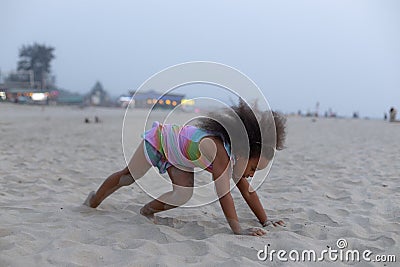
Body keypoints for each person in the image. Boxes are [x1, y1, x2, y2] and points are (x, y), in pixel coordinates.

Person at [84, 99, 287, 236]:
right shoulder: (220, 154)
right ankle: (94, 200)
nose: (250, 175)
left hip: (179, 159)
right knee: (128, 177)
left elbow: (249, 193)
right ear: (243, 154)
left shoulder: (235, 160)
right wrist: (238, 230)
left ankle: (146, 211)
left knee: (183, 195)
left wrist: (266, 221)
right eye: (252, 168)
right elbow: (224, 194)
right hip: (161, 141)